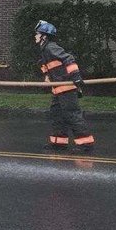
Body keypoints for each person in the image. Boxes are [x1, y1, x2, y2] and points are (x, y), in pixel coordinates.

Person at [34, 20, 95, 152]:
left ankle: (86, 144)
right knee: (57, 115)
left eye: (37, 33)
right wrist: (47, 77)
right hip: (58, 90)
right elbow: (50, 68)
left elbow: (68, 59)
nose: (35, 36)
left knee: (72, 115)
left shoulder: (51, 47)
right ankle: (58, 143)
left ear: (44, 36)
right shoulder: (45, 50)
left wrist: (76, 77)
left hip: (67, 89)